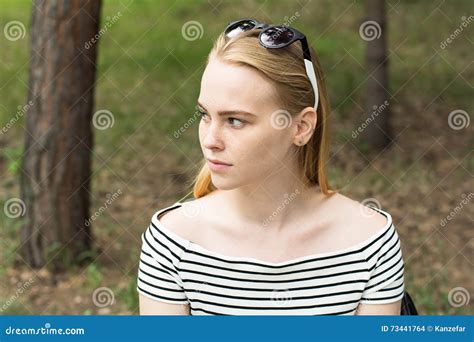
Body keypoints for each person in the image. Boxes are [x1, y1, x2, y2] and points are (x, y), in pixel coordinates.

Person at [137, 19, 405, 315]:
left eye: (235, 120)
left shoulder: (370, 242)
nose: (210, 140)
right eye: (204, 114)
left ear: (301, 127)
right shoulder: (173, 243)